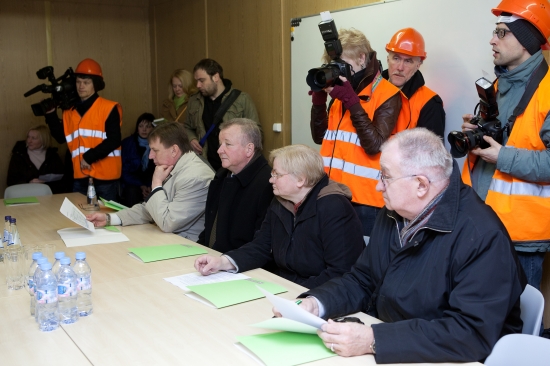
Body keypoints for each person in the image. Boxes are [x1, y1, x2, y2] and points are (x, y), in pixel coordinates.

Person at [282, 128, 525, 364]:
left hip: (453, 358)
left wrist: (374, 340)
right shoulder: (394, 213)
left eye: (385, 176)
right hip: (398, 343)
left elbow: (469, 333)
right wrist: (316, 303)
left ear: (421, 185)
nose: (379, 186)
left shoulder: (482, 236)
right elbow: (362, 279)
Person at [461, 0, 550, 294]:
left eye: (502, 33)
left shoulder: (547, 91)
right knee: (478, 321)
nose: (492, 40)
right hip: (478, 227)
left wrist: (502, 156)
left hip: (519, 237)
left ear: (526, 41)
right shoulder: (498, 87)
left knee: (517, 329)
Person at [194, 144, 364, 289]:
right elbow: (261, 246)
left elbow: (341, 272)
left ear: (301, 180)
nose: (270, 180)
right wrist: (223, 262)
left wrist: (294, 293)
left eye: (277, 174)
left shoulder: (334, 208)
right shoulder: (281, 201)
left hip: (319, 296)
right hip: (285, 289)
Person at [310, 28, 402, 238]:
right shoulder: (341, 90)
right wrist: (318, 103)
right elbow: (320, 137)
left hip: (365, 203)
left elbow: (374, 145)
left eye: (343, 64)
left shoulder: (388, 94)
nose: (339, 71)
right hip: (331, 193)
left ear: (362, 58)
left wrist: (352, 102)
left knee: (361, 265)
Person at [86, 122, 214, 242]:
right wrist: (109, 218)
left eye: (155, 150)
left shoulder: (195, 177)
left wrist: (157, 184)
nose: (150, 156)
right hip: (170, 241)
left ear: (174, 150)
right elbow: (148, 209)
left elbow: (167, 223)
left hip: (188, 249)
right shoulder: (174, 167)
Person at [45, 58, 122, 201]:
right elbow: (61, 137)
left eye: (86, 82)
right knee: (80, 217)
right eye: (78, 82)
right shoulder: (69, 111)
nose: (81, 86)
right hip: (81, 177)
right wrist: (50, 115)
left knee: (108, 218)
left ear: (96, 85)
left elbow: (114, 139)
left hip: (105, 176)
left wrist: (89, 156)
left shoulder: (108, 108)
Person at [197, 118, 273, 253]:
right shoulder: (221, 176)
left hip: (241, 265)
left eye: (228, 144)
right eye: (220, 144)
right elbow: (210, 228)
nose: (219, 150)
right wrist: (198, 251)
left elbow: (261, 244)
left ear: (249, 149)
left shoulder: (267, 183)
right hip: (211, 258)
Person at [184, 58, 261, 171]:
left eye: (202, 80)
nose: (198, 85)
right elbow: (187, 127)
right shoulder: (194, 101)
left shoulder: (242, 99)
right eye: (196, 81)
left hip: (233, 166)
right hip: (204, 164)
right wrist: (192, 139)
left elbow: (256, 133)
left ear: (216, 77)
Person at [383, 28, 446, 138]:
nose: (400, 67)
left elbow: (430, 154)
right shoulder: (370, 90)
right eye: (396, 58)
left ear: (418, 65)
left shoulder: (430, 104)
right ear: (388, 59)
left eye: (408, 61)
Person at [7, 125, 65, 194]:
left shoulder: (53, 156)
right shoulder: (19, 155)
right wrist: (28, 182)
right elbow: (11, 181)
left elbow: (63, 181)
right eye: (28, 137)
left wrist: (45, 183)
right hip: (24, 195)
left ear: (43, 140)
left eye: (34, 138)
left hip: (48, 197)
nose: (29, 141)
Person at [120, 113, 156, 207]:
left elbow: (158, 169)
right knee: (132, 192)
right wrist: (141, 185)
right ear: (137, 128)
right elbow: (124, 172)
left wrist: (149, 186)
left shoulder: (158, 144)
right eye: (141, 126)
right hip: (132, 182)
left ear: (154, 128)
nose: (144, 129)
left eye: (148, 126)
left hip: (151, 182)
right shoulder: (128, 144)